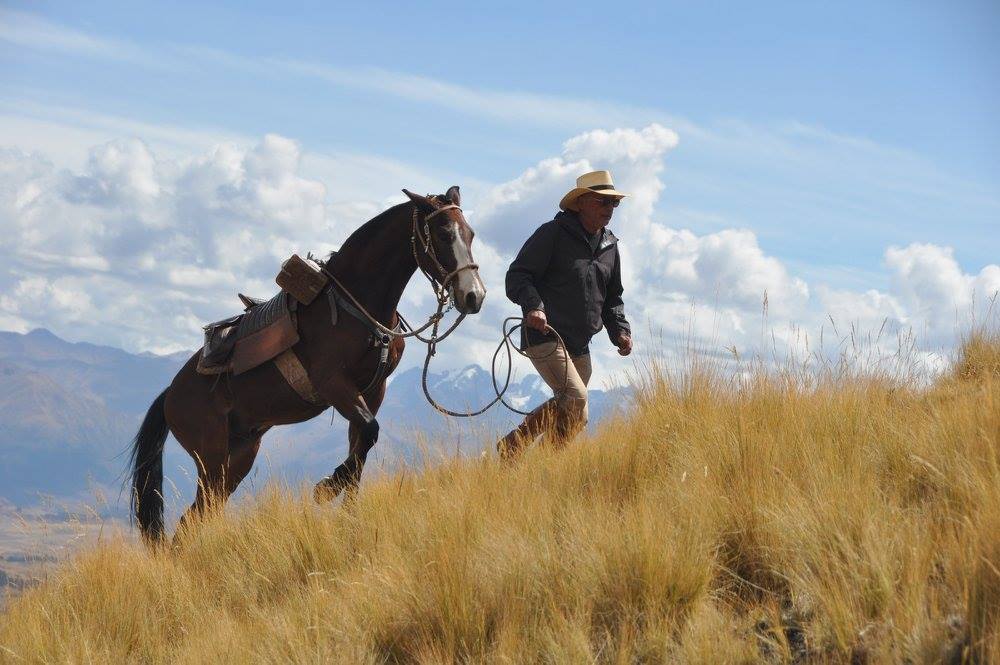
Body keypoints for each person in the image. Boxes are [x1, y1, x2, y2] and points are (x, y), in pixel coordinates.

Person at [498, 170, 632, 458]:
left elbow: (613, 297)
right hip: (544, 335)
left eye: (614, 204)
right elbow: (518, 276)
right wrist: (534, 306)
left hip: (580, 343)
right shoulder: (552, 234)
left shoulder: (610, 245)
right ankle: (516, 449)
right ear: (581, 202)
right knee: (575, 398)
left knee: (575, 414)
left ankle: (531, 460)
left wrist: (621, 331)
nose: (609, 210)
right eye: (602, 202)